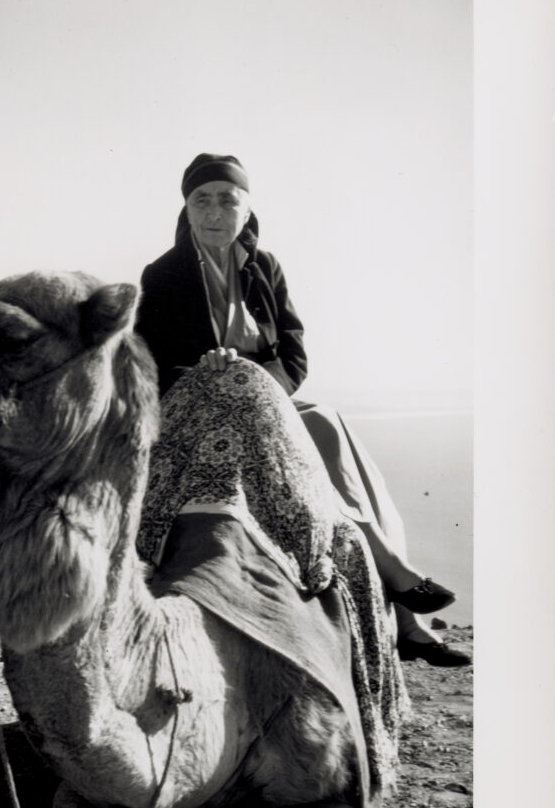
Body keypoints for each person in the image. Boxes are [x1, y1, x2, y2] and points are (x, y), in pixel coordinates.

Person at [136, 152, 470, 667]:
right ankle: (401, 586)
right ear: (186, 208)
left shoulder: (264, 267)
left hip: (267, 397)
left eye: (228, 199)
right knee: (316, 428)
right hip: (200, 402)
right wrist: (206, 368)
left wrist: (258, 377)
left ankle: (406, 619)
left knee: (330, 425)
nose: (215, 212)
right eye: (202, 200)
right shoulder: (161, 275)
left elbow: (293, 356)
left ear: (247, 208)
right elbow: (151, 363)